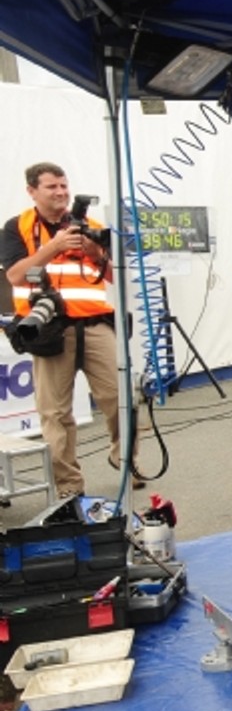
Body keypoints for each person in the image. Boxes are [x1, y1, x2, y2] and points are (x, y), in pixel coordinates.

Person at [2, 162, 137, 499]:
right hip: (48, 328)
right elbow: (16, 276)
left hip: (95, 324)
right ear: (32, 190)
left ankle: (125, 462)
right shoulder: (17, 226)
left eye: (64, 186)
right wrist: (55, 247)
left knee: (122, 399)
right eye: (52, 187)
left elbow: (115, 278)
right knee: (55, 413)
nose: (61, 192)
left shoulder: (89, 226)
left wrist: (96, 253)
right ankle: (69, 486)